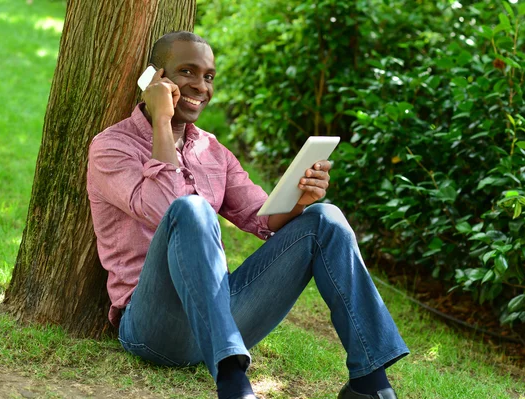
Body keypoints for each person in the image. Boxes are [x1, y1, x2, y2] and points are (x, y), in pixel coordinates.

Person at [86, 31, 409, 399]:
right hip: (156, 327)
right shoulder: (111, 146)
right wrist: (162, 119)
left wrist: (300, 201)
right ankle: (233, 384)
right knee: (189, 208)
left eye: (208, 76)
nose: (200, 86)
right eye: (187, 71)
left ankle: (370, 384)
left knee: (325, 218)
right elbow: (164, 208)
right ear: (156, 79)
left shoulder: (212, 150)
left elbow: (262, 218)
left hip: (222, 315)